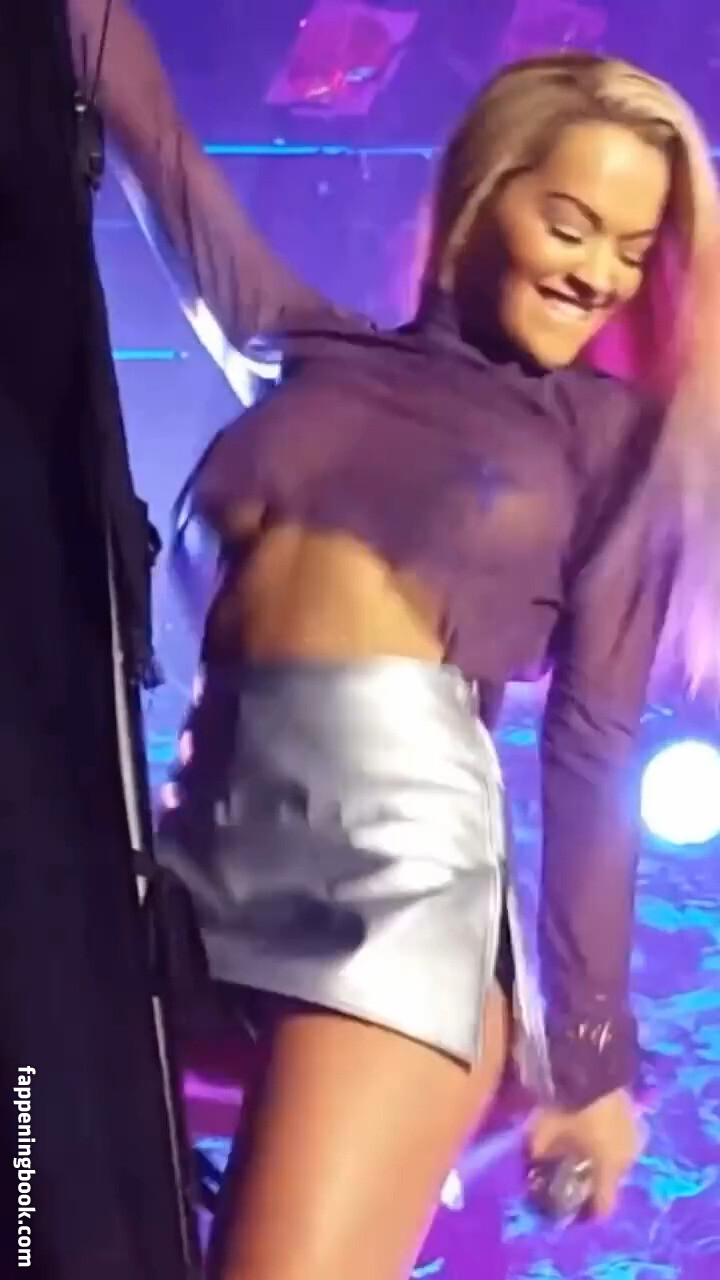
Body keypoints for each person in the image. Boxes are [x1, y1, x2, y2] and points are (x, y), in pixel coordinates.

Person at [68, 2, 720, 1278]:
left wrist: (589, 1061)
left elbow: (590, 747)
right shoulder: (305, 344)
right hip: (189, 870)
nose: (598, 272)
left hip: (395, 904)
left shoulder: (615, 444)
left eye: (633, 248)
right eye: (571, 223)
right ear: (482, 196)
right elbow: (149, 130)